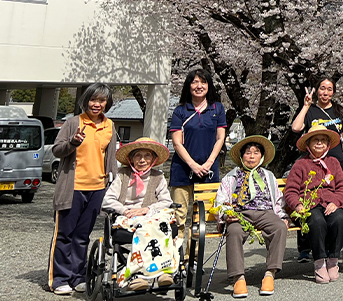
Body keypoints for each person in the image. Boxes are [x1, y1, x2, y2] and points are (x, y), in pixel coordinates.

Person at [48, 83, 117, 295]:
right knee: (64, 234)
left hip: (97, 188)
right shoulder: (72, 123)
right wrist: (72, 142)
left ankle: (78, 276)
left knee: (82, 236)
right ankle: (59, 278)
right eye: (93, 100)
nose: (97, 104)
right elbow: (57, 150)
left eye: (101, 100)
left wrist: (113, 184)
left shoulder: (109, 125)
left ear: (107, 103)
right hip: (73, 187)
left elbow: (111, 157)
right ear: (85, 100)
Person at [290, 74, 343, 261]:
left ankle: (328, 249)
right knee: (309, 196)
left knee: (330, 201)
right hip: (312, 161)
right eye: (322, 88)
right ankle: (304, 248)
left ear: (333, 92)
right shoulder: (310, 110)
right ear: (317, 90)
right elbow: (296, 128)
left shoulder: (340, 112)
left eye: (329, 89)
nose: (325, 92)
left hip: (335, 161)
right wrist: (306, 105)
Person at [215, 136, 288, 297]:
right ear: (241, 157)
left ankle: (270, 273)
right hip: (240, 213)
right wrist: (226, 214)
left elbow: (277, 199)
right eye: (248, 153)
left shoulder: (268, 175)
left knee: (279, 227)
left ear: (261, 157)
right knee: (234, 231)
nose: (252, 156)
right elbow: (221, 199)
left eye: (256, 153)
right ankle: (238, 277)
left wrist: (282, 216)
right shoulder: (231, 176)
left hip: (265, 212)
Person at [102, 138, 177, 292]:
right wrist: (124, 210)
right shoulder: (122, 175)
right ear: (131, 159)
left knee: (158, 226)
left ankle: (164, 272)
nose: (142, 160)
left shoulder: (158, 176)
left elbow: (166, 200)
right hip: (127, 217)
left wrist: (147, 209)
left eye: (147, 156)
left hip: (150, 215)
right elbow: (107, 200)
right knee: (144, 228)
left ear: (153, 159)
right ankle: (138, 275)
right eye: (138, 156)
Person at [168, 69, 227, 258]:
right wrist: (193, 164)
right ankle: (176, 258)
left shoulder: (217, 109)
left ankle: (192, 257)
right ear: (188, 86)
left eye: (203, 82)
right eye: (194, 82)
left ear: (209, 86)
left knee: (199, 218)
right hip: (182, 170)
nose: (199, 86)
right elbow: (177, 142)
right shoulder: (180, 110)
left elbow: (220, 138)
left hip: (208, 171)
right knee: (178, 217)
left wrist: (209, 162)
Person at [284, 125, 343, 283]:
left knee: (340, 219)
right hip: (308, 205)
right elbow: (290, 191)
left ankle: (333, 260)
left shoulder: (333, 162)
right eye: (315, 140)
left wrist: (336, 201)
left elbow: (342, 187)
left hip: (330, 203)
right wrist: (298, 205)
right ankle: (319, 262)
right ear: (308, 144)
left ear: (328, 144)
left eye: (322, 140)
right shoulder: (300, 164)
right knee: (317, 221)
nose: (319, 143)